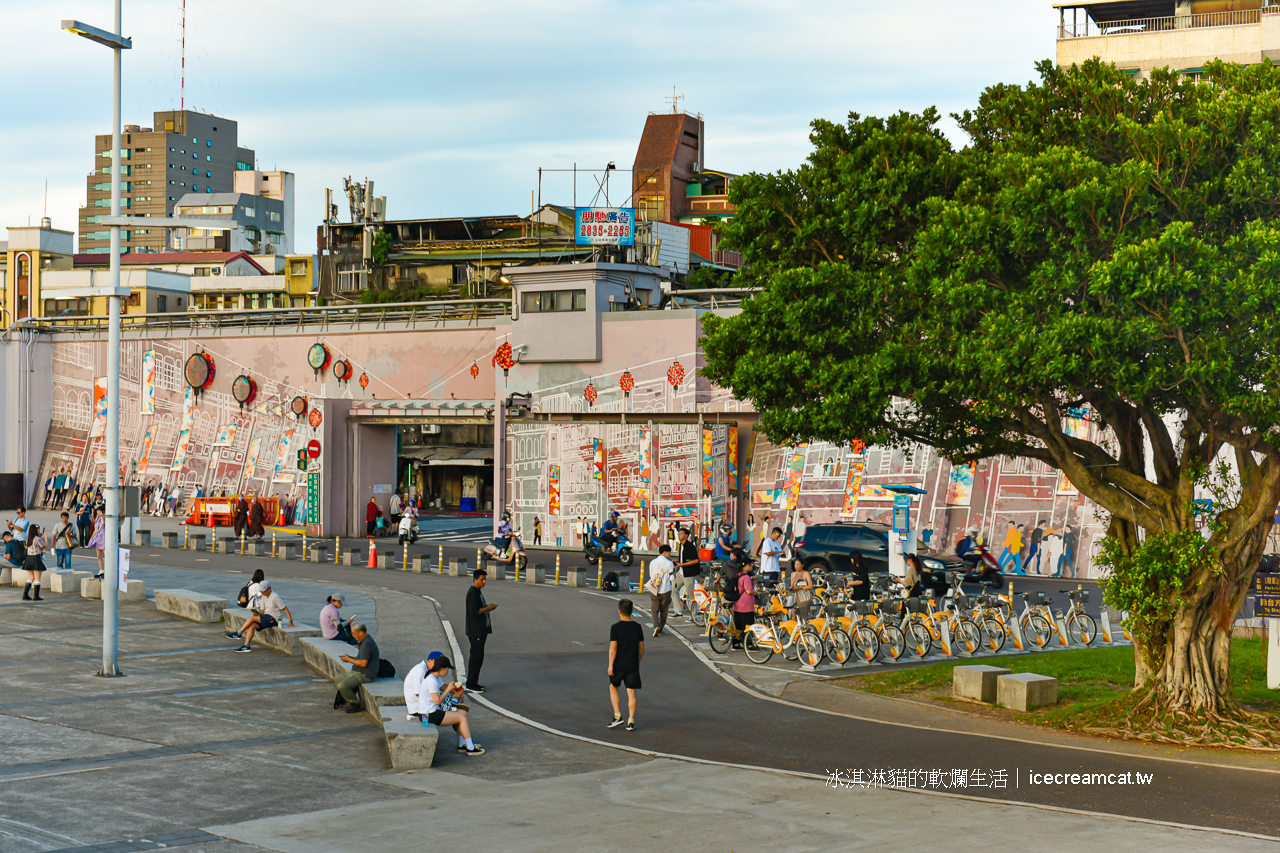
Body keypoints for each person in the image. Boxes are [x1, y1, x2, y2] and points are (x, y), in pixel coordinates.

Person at [422, 656, 484, 755]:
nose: (447, 672)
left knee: (463, 712)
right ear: (442, 669)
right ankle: (470, 747)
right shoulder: (431, 680)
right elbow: (437, 701)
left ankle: (462, 743)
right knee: (461, 717)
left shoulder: (433, 677)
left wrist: (454, 696)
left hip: (433, 710)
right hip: (430, 714)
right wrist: (448, 690)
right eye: (447, 669)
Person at [225, 579, 295, 653]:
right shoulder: (264, 596)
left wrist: (291, 622)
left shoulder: (275, 597)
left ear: (269, 589)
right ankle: (246, 645)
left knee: (253, 618)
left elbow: (285, 608)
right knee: (252, 625)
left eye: (264, 591)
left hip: (274, 619)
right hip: (266, 616)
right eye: (261, 591)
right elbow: (262, 610)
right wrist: (257, 613)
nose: (262, 592)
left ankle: (239, 633)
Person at [606, 598, 644, 731]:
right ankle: (631, 721)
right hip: (632, 663)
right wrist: (638, 661)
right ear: (632, 611)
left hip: (619, 664)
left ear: (619, 612)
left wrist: (610, 665)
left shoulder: (615, 628)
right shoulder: (637, 627)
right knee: (631, 692)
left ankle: (617, 715)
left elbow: (613, 648)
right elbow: (641, 648)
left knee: (613, 687)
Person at [334, 622, 380, 712]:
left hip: (365, 674)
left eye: (354, 633)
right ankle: (348, 701)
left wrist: (348, 660)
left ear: (361, 632)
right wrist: (349, 657)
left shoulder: (367, 643)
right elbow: (362, 658)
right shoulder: (364, 641)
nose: (353, 636)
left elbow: (363, 663)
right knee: (338, 679)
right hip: (357, 671)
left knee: (342, 686)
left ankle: (355, 704)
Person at [465, 568, 497, 693]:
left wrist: (488, 607)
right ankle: (471, 684)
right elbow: (474, 611)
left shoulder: (477, 591)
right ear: (475, 579)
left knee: (478, 657)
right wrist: (488, 608)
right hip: (476, 631)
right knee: (476, 657)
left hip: (480, 630)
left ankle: (474, 682)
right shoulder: (472, 593)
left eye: (484, 580)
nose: (484, 582)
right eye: (481, 580)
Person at [403, 650, 445, 718]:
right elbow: (418, 693)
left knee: (454, 705)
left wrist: (455, 690)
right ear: (429, 661)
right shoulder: (420, 670)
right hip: (418, 708)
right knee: (455, 713)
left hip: (428, 704)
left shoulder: (433, 670)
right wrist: (438, 698)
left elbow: (442, 685)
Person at [647, 544, 676, 637]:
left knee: (654, 609)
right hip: (666, 590)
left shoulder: (652, 562)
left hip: (654, 588)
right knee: (664, 610)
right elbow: (672, 578)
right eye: (669, 552)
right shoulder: (669, 563)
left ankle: (656, 626)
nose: (670, 554)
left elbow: (651, 575)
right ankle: (661, 628)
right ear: (665, 552)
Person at [730, 557, 756, 649]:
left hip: (737, 604)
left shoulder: (738, 574)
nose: (752, 566)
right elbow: (749, 591)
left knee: (739, 625)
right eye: (751, 565)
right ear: (748, 565)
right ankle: (748, 644)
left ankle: (736, 643)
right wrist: (756, 592)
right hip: (746, 606)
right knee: (748, 625)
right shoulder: (746, 577)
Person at [674, 526, 700, 617]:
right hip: (680, 573)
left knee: (690, 595)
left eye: (681, 534)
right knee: (673, 590)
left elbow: (696, 560)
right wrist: (677, 561)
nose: (679, 535)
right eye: (678, 534)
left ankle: (693, 615)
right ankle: (678, 611)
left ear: (686, 535)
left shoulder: (690, 546)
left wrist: (682, 564)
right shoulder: (681, 545)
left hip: (689, 574)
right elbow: (684, 558)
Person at [23, 524, 47, 601]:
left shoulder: (28, 538)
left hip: (29, 559)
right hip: (36, 558)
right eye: (38, 529)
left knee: (31, 577)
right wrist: (45, 536)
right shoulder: (37, 538)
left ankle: (25, 594)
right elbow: (45, 545)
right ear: (35, 530)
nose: (39, 531)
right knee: (37, 578)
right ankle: (36, 596)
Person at [87, 507, 107, 579]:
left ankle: (107, 570)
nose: (98, 512)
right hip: (98, 538)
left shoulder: (104, 517)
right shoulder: (97, 519)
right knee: (99, 556)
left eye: (99, 511)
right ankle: (101, 570)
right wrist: (91, 538)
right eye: (97, 511)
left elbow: (104, 523)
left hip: (104, 538)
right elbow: (96, 529)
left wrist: (101, 516)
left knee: (107, 556)